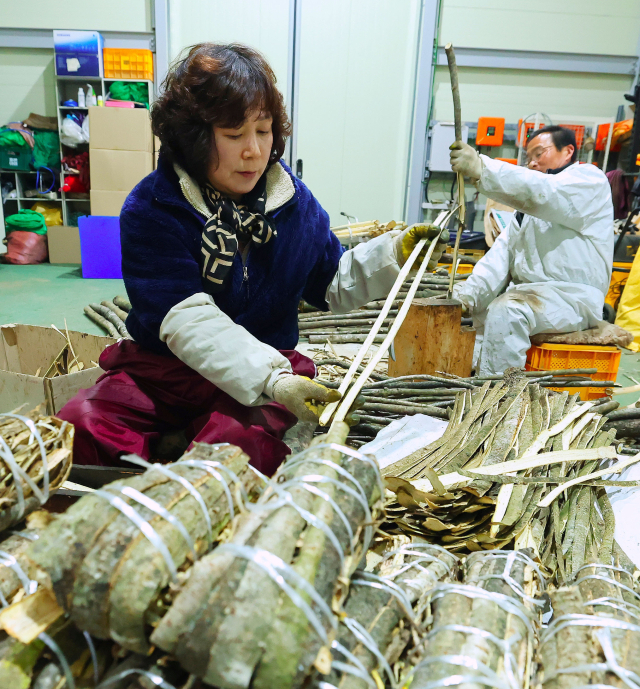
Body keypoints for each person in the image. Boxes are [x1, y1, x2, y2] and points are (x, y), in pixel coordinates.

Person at [59, 43, 444, 475]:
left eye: (263, 131)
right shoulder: (154, 207)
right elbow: (186, 320)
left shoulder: (295, 206)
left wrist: (393, 253)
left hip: (263, 375)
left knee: (234, 452)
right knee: (81, 429)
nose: (254, 151)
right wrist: (272, 379)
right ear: (195, 138)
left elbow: (331, 282)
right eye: (234, 134)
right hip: (164, 372)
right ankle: (175, 437)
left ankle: (186, 447)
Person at [449, 125, 614, 375]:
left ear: (568, 151)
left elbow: (545, 193)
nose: (532, 163)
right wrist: (466, 297)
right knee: (484, 313)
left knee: (508, 311)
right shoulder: (527, 212)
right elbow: (499, 258)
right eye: (528, 158)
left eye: (539, 153)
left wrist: (482, 167)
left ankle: (499, 402)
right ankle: (474, 384)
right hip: (535, 296)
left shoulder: (588, 181)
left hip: (575, 297)